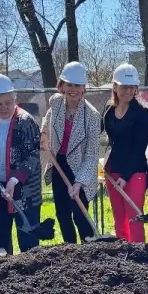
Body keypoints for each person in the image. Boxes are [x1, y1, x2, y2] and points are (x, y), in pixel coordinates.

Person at [0, 73, 43, 254]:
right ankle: (5, 276)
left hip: (24, 190)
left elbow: (34, 155)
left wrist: (15, 179)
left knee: (28, 239)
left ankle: (32, 277)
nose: (3, 107)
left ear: (15, 99)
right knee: (1, 237)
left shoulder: (26, 122)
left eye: (8, 102)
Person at [41, 61, 101, 243]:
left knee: (80, 216)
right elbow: (48, 116)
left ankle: (89, 253)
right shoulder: (57, 102)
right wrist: (44, 132)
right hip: (58, 162)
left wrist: (79, 183)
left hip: (80, 168)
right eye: (69, 85)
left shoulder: (92, 116)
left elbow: (91, 155)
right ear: (62, 86)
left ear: (84, 88)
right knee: (63, 214)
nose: (73, 89)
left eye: (77, 85)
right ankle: (69, 252)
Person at [102, 63, 148, 243]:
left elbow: (139, 148)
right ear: (115, 87)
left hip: (134, 173)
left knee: (134, 218)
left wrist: (125, 175)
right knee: (119, 218)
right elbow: (100, 136)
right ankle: (122, 255)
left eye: (132, 87)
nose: (128, 91)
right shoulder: (108, 111)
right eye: (124, 86)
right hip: (112, 170)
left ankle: (139, 254)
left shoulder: (142, 114)